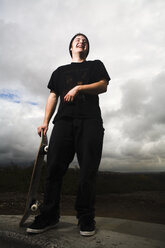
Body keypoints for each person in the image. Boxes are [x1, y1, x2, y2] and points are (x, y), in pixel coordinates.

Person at [27, 33, 110, 236]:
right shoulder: (59, 71)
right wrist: (45, 122)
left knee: (88, 171)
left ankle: (85, 218)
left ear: (87, 47)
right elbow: (53, 95)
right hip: (63, 122)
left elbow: (103, 86)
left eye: (84, 40)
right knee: (54, 168)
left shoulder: (95, 65)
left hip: (90, 122)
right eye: (77, 40)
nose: (81, 41)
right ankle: (49, 216)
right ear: (71, 47)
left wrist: (79, 88)